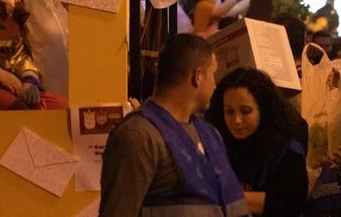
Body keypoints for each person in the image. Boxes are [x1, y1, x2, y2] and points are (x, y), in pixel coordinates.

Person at [100, 34, 247, 217]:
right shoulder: (138, 136)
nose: (215, 86)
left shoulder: (210, 134)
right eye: (213, 75)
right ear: (198, 76)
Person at [206, 67, 309, 217]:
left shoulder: (286, 150)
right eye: (229, 111)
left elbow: (289, 204)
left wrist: (226, 197)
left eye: (246, 111)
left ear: (263, 109)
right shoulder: (219, 141)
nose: (236, 120)